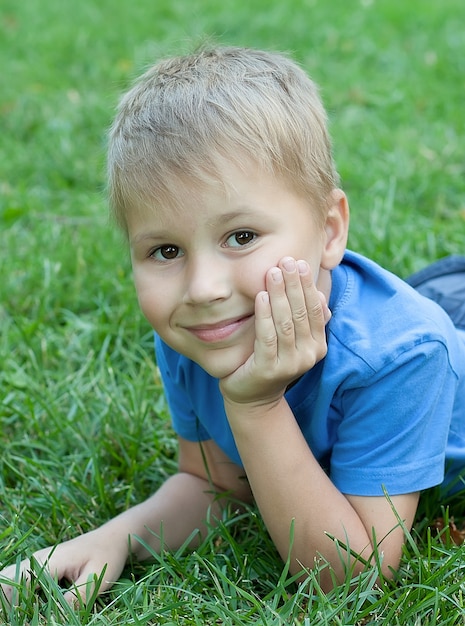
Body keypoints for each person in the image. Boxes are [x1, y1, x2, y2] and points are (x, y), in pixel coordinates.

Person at [1, 46, 465, 605]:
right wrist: (115, 537)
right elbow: (216, 484)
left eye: (241, 237)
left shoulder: (405, 354)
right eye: (166, 250)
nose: (202, 288)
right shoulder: (201, 329)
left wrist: (256, 406)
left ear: (329, 228)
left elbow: (353, 578)